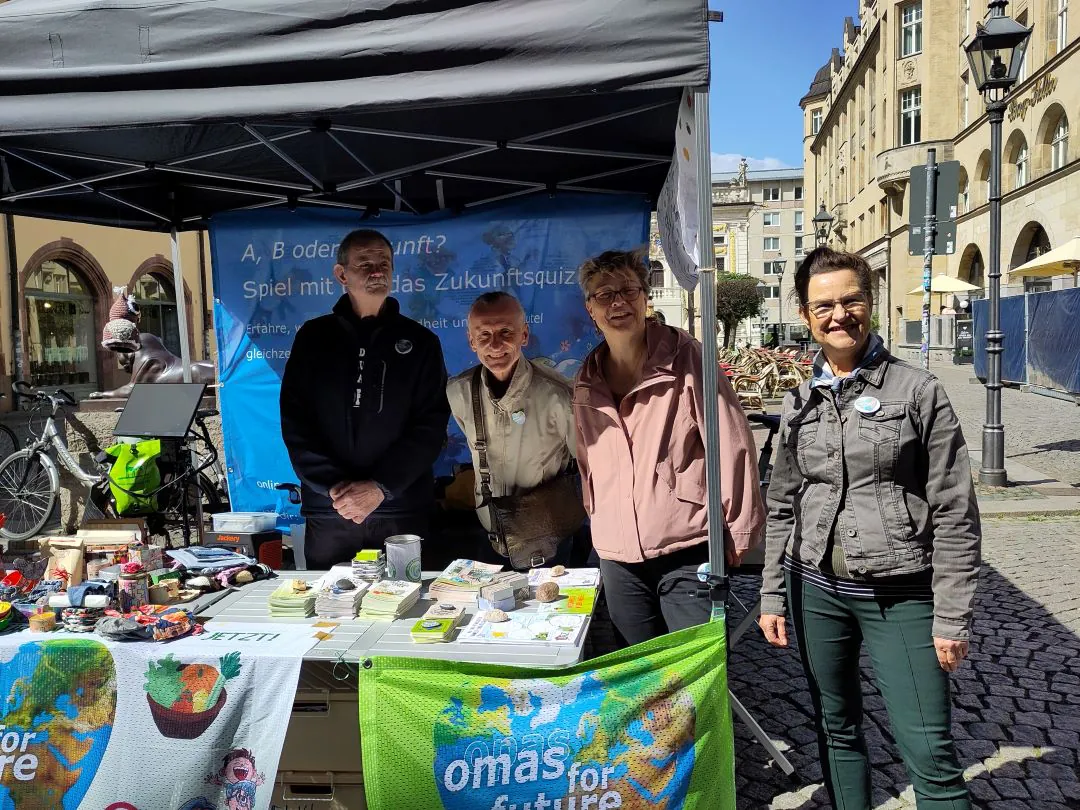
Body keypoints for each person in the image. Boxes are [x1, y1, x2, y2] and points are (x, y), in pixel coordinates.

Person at [758, 247, 980, 810]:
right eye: (823, 305)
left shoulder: (918, 391)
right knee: (835, 730)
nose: (839, 315)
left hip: (900, 595)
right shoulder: (800, 400)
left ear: (870, 302)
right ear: (806, 316)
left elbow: (954, 508)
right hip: (816, 592)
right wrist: (772, 595)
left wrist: (951, 613)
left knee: (929, 751)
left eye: (850, 300)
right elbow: (783, 502)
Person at [573, 248, 765, 645]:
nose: (618, 302)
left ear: (646, 296)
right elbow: (587, 458)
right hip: (617, 552)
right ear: (590, 308)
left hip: (687, 545)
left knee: (694, 670)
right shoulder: (587, 377)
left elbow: (732, 443)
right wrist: (598, 515)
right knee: (641, 670)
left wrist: (739, 528)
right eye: (604, 294)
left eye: (628, 290)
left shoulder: (686, 356)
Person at [280, 229, 450, 569]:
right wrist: (336, 489)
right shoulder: (314, 338)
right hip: (332, 512)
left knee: (405, 609)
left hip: (400, 511)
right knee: (331, 614)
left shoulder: (420, 342)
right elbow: (296, 422)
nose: (377, 271)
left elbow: (430, 426)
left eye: (384, 263)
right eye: (365, 263)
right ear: (342, 274)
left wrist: (380, 489)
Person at [447, 292, 580, 569]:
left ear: (524, 335)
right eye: (483, 335)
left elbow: (584, 460)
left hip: (547, 531)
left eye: (506, 331)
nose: (495, 344)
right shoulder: (458, 392)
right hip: (488, 529)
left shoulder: (559, 395)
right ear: (471, 341)